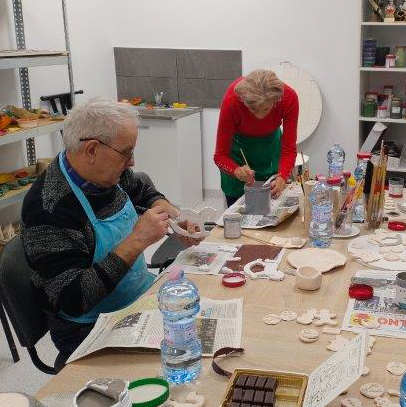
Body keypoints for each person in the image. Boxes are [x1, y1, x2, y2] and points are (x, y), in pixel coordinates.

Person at [21, 98, 200, 366]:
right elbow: (74, 299)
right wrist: (137, 241)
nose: (132, 162)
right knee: (180, 364)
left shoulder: (107, 173)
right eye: (126, 153)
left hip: (138, 299)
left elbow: (142, 190)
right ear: (92, 149)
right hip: (88, 329)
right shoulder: (48, 208)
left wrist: (167, 209)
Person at [214, 69, 299, 207]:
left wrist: (282, 177)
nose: (259, 116)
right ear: (243, 101)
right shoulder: (232, 100)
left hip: (270, 151)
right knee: (239, 214)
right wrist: (236, 170)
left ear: (276, 101)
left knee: (272, 210)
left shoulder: (288, 98)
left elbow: (289, 150)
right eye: (252, 109)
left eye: (266, 109)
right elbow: (220, 156)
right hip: (237, 154)